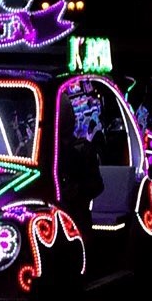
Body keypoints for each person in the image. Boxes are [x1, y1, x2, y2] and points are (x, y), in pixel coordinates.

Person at [57, 94, 104, 236]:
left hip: (78, 217)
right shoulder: (46, 152)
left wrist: (78, 190)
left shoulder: (83, 149)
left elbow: (97, 185)